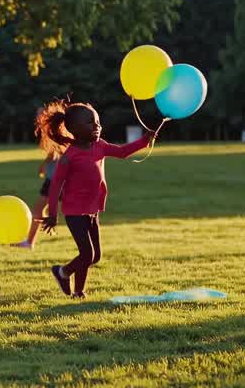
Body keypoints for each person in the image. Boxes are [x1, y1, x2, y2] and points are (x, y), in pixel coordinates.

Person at [39, 98, 159, 298]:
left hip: (92, 210)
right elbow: (55, 187)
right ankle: (63, 272)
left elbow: (122, 152)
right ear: (75, 128)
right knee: (87, 254)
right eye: (90, 123)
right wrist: (52, 214)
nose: (97, 126)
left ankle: (77, 290)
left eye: (98, 122)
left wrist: (145, 140)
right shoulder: (70, 156)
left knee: (95, 257)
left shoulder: (100, 146)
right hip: (74, 212)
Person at [13, 143, 61, 250]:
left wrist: (43, 165)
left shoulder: (58, 137)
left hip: (55, 181)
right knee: (38, 211)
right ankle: (29, 242)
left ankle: (30, 243)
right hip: (52, 180)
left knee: (38, 211)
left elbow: (54, 155)